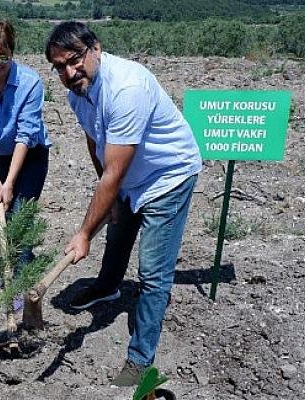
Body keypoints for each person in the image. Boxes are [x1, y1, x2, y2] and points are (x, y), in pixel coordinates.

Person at [45, 21, 203, 386]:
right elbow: (94, 140)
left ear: (95, 49)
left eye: (74, 60)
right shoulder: (77, 92)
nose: (68, 72)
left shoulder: (127, 88)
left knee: (153, 273)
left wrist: (85, 231)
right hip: (129, 175)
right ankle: (107, 286)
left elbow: (114, 174)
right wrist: (111, 200)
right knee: (116, 234)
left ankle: (140, 359)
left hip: (167, 177)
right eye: (59, 66)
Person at [0, 20, 51, 310]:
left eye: (2, 57)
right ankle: (11, 270)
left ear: (12, 53)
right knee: (3, 211)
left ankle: (22, 287)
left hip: (31, 155)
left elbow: (26, 134)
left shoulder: (30, 82)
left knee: (20, 217)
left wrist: (10, 182)